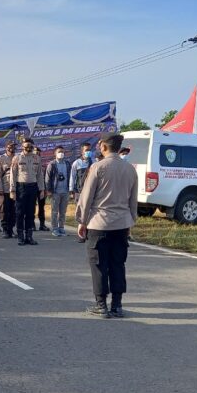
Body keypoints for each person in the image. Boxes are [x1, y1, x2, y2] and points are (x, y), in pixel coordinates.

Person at [76, 134, 138, 319]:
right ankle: (117, 305)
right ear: (119, 148)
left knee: (99, 265)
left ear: (103, 146)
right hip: (121, 224)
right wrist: (130, 221)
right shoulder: (130, 169)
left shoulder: (97, 167)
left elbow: (86, 198)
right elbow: (133, 200)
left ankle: (101, 305)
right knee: (118, 264)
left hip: (99, 224)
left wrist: (82, 221)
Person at [10, 138, 45, 246]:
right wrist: (12, 190)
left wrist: (42, 189)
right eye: (25, 146)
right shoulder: (17, 158)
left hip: (33, 187)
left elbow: (40, 175)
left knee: (30, 212)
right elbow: (13, 174)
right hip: (21, 187)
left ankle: (29, 236)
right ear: (22, 146)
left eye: (30, 146)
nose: (28, 148)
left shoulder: (37, 158)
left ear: (33, 146)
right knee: (20, 213)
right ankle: (20, 236)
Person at [70, 142, 94, 243]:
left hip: (92, 192)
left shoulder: (94, 162)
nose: (88, 152)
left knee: (91, 213)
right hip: (80, 192)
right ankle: (81, 234)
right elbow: (72, 177)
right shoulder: (77, 163)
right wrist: (72, 190)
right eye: (86, 150)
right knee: (81, 213)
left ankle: (89, 233)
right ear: (82, 151)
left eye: (89, 150)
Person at [45, 145, 71, 237]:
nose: (61, 153)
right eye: (59, 152)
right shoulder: (52, 164)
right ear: (55, 153)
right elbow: (47, 178)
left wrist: (70, 189)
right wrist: (49, 190)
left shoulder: (67, 164)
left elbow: (70, 177)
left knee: (63, 212)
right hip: (55, 192)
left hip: (65, 191)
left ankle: (62, 228)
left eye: (63, 152)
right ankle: (55, 229)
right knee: (54, 211)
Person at [0, 140, 17, 239]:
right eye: (10, 146)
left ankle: (11, 229)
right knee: (4, 209)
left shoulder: (18, 158)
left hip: (16, 189)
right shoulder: (1, 158)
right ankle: (5, 229)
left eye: (13, 146)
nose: (12, 148)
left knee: (13, 210)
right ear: (6, 147)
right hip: (5, 188)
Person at [34, 147, 50, 232]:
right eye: (36, 153)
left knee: (41, 207)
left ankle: (42, 224)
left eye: (39, 153)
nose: (37, 154)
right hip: (32, 187)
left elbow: (46, 178)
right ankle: (32, 225)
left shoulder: (44, 164)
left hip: (41, 188)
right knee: (31, 207)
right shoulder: (31, 162)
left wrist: (45, 189)